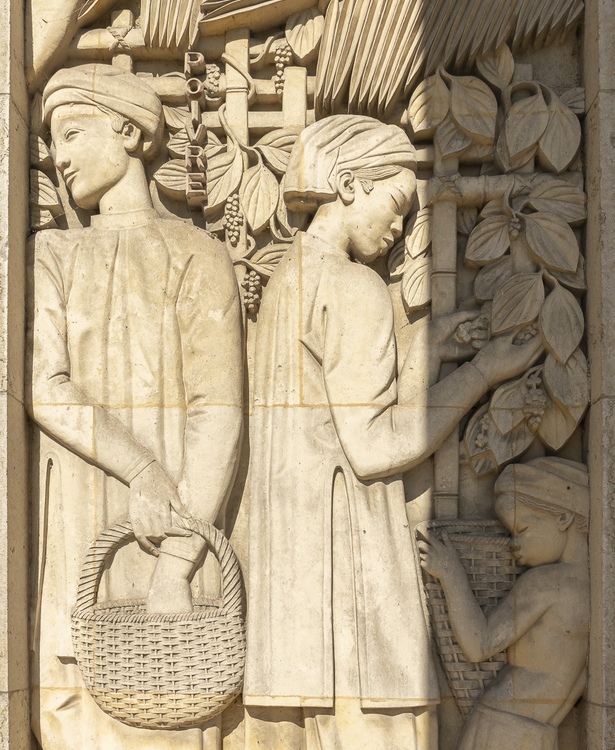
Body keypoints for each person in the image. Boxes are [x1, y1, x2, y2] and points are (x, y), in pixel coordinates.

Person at [243, 115, 543, 749]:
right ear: (350, 184)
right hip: (352, 582)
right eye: (397, 203)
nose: (401, 228)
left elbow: (328, 414)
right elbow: (376, 447)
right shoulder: (355, 290)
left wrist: (421, 347)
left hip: (300, 588)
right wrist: (484, 373)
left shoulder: (284, 284)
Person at [27, 63, 244, 750]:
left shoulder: (198, 256)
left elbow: (221, 414)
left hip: (169, 545)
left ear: (128, 131)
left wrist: (177, 565)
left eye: (71, 132)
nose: (58, 158)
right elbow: (44, 384)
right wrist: (141, 467)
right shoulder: (54, 252)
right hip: (78, 537)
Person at [417, 457, 590, 750]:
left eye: (521, 529)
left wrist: (450, 572)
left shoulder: (544, 583)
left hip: (503, 725)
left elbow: (478, 644)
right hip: (530, 728)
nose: (513, 543)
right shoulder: (592, 587)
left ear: (563, 518)